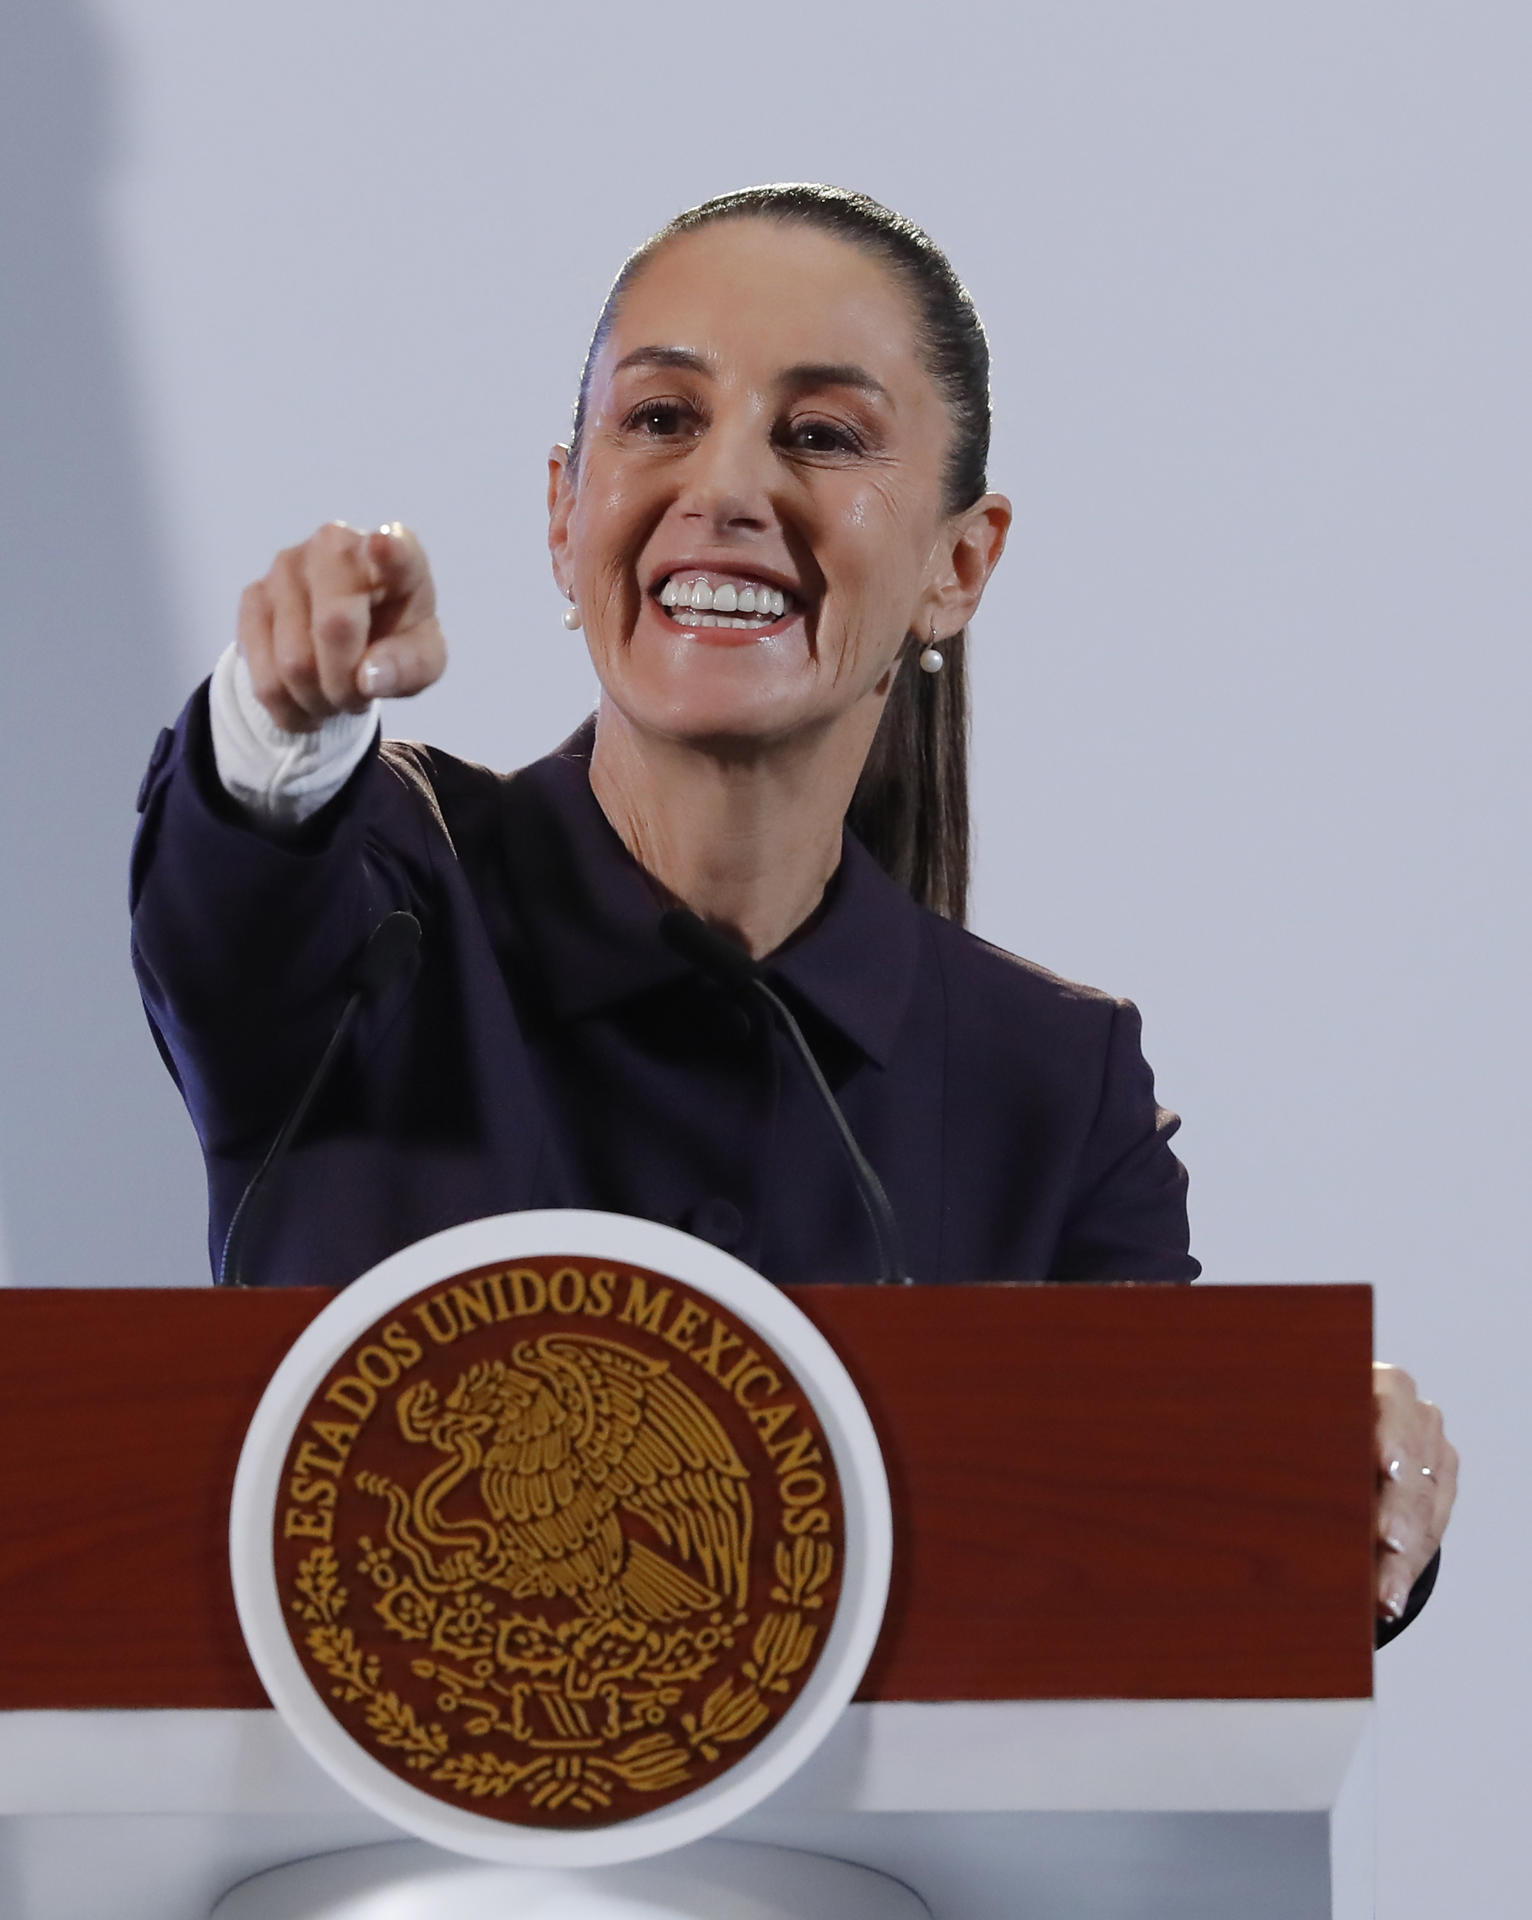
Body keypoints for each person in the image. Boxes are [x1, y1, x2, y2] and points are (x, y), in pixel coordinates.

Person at [128, 184, 1454, 1637]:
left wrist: (1329, 1479)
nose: (730, 488)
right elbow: (238, 878)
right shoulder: (387, 891)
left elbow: (1153, 1547)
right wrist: (285, 710)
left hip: (852, 1878)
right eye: (661, 421)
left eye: (820, 435)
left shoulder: (1049, 1087)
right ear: (563, 511)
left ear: (960, 566)